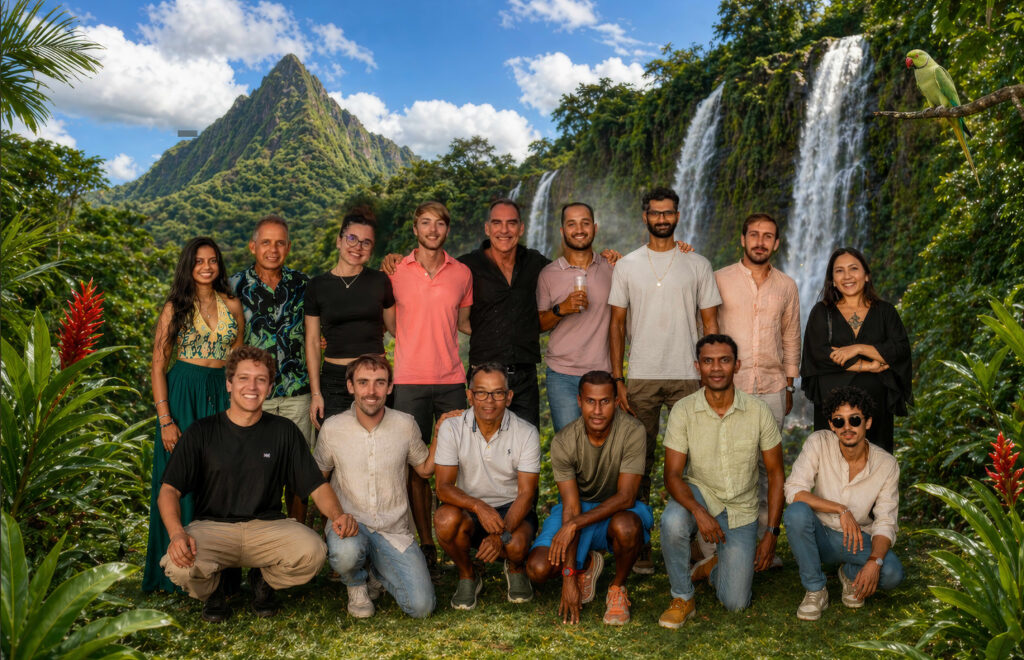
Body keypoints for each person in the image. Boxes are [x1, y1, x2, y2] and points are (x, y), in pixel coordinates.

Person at [158, 346, 350, 622]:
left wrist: (337, 515)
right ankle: (216, 588)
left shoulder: (283, 431)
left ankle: (264, 579)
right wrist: (177, 534)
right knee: (177, 566)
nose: (252, 386)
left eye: (260, 379)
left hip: (267, 527)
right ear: (229, 383)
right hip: (214, 528)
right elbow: (169, 490)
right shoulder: (202, 431)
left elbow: (316, 486)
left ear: (270, 387)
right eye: (243, 378)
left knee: (313, 552)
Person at [608, 186, 722, 573]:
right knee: (637, 461)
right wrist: (617, 378)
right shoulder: (627, 266)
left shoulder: (698, 264)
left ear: (677, 215)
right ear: (645, 217)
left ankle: (693, 540)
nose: (662, 218)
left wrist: (711, 374)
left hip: (688, 377)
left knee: (693, 460)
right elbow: (617, 325)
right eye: (655, 213)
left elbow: (711, 324)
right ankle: (637, 542)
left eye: (668, 213)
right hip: (640, 376)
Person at [657, 335, 784, 628]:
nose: (716, 368)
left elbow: (776, 474)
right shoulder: (683, 410)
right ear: (697, 366)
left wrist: (772, 533)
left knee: (736, 603)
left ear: (736, 365)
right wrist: (699, 512)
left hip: (741, 507)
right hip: (700, 495)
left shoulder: (758, 411)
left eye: (724, 360)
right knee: (673, 521)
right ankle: (682, 597)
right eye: (708, 361)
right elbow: (672, 475)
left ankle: (712, 568)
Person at [143, 236, 244, 593]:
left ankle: (218, 571)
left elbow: (237, 359)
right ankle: (172, 570)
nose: (206, 267)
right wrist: (166, 420)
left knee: (219, 474)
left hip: (219, 393)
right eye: (199, 261)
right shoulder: (175, 307)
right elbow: (157, 366)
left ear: (219, 265)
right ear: (189, 265)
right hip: (183, 391)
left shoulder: (232, 304)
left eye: (213, 260)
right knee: (179, 476)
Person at [315, 354, 437, 619]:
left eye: (379, 383)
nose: (371, 391)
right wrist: (333, 517)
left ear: (390, 387)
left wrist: (440, 433)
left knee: (422, 608)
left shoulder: (405, 424)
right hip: (349, 526)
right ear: (350, 386)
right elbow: (317, 481)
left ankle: (375, 571)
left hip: (392, 530)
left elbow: (424, 470)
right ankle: (356, 584)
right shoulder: (333, 428)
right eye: (363, 382)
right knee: (347, 553)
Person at [525, 371, 652, 626]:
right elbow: (571, 508)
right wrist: (569, 575)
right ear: (579, 401)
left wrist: (574, 524)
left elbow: (626, 497)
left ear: (616, 402)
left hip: (618, 510)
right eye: (590, 401)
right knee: (538, 569)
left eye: (604, 401)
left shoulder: (633, 431)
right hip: (578, 510)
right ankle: (587, 564)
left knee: (627, 527)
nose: (597, 410)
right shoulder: (564, 441)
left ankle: (617, 588)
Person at [387, 201, 473, 576]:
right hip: (407, 380)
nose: (433, 229)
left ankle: (460, 540)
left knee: (458, 463)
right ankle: (425, 545)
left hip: (452, 379)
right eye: (426, 222)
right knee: (414, 468)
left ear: (447, 230)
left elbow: (467, 322)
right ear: (415, 228)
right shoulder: (395, 271)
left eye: (440, 223)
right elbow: (389, 323)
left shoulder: (462, 273)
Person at [711, 212, 800, 565]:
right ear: (743, 239)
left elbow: (792, 335)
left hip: (774, 386)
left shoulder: (787, 286)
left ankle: (767, 540)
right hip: (731, 387)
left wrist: (790, 384)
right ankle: (725, 541)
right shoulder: (719, 280)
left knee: (768, 466)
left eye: (768, 236)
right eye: (754, 235)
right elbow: (708, 330)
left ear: (776, 243)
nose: (760, 241)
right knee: (728, 463)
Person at [783, 386, 904, 621]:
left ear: (867, 422)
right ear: (831, 424)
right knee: (796, 512)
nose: (846, 428)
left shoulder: (886, 464)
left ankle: (850, 573)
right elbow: (793, 489)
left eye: (854, 420)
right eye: (839, 421)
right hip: (819, 534)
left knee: (891, 573)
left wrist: (873, 562)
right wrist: (840, 509)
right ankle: (816, 589)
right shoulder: (819, 442)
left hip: (856, 539)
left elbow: (885, 521)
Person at [433, 363, 541, 610]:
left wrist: (498, 536)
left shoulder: (526, 432)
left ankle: (515, 568)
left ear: (509, 397)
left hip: (511, 509)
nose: (489, 400)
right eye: (481, 392)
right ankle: (468, 575)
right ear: (469, 395)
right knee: (444, 520)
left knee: (515, 546)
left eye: (498, 393)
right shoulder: (452, 427)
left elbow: (526, 494)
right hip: (468, 509)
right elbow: (443, 487)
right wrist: (478, 506)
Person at [230, 215, 313, 522]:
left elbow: (318, 333)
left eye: (280, 242)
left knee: (298, 475)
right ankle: (256, 551)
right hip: (254, 396)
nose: (273, 249)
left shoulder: (304, 285)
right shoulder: (234, 287)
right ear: (253, 246)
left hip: (296, 393)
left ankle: (297, 549)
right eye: (266, 242)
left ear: (288, 247)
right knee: (254, 473)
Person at [800, 247, 912, 453]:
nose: (847, 276)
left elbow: (899, 350)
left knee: (876, 466)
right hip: (833, 409)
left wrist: (857, 348)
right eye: (839, 271)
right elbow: (818, 355)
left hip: (876, 409)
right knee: (832, 467)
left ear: (866, 275)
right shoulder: (822, 312)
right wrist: (867, 365)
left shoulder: (885, 312)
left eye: (853, 269)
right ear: (832, 279)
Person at [458, 198, 550, 427]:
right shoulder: (466, 266)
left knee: (527, 447)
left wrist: (605, 259)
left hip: (525, 377)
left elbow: (570, 270)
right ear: (487, 228)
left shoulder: (535, 263)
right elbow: (433, 273)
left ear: (521, 228)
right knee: (483, 448)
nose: (504, 230)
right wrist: (395, 262)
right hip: (484, 376)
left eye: (511, 223)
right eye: (497, 223)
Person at [305, 207, 395, 428]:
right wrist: (316, 393)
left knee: (380, 450)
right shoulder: (317, 285)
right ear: (339, 241)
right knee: (333, 453)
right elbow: (313, 342)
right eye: (352, 238)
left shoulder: (381, 281)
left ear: (372, 249)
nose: (357, 247)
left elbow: (397, 329)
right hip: (335, 380)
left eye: (366, 242)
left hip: (375, 379)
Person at [536, 202, 614, 432]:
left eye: (585, 223)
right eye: (572, 224)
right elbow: (539, 324)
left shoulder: (613, 268)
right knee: (570, 447)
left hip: (603, 373)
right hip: (562, 375)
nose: (579, 229)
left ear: (595, 228)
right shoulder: (548, 274)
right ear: (562, 231)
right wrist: (562, 309)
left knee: (603, 447)